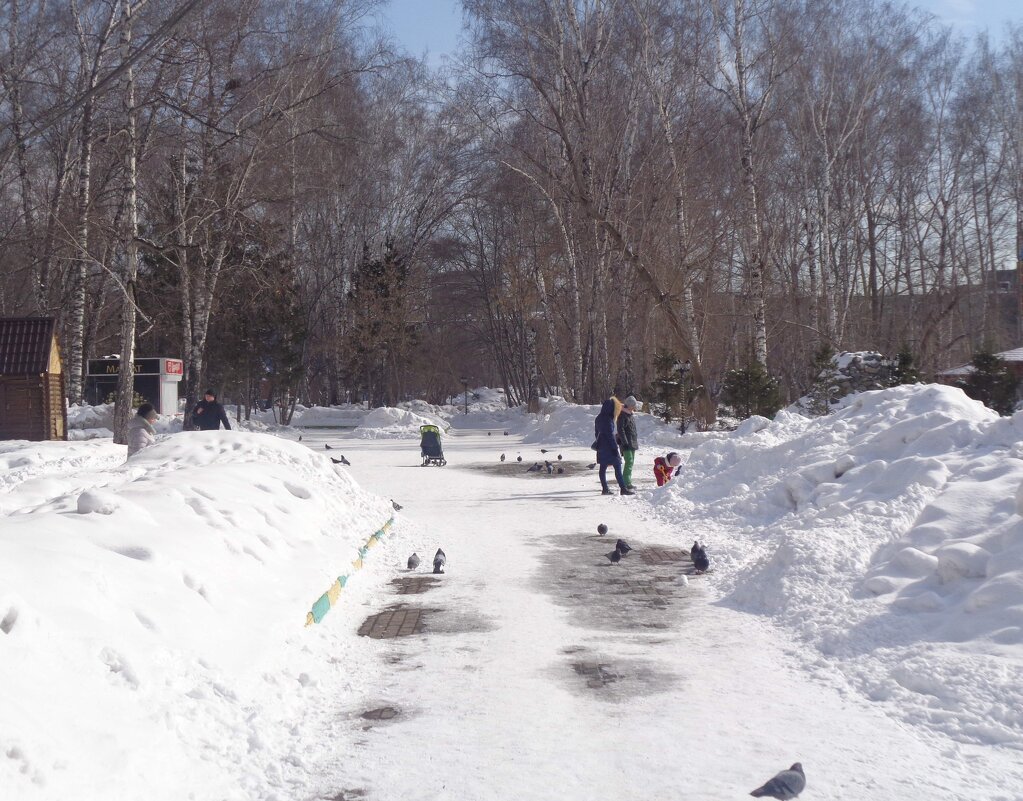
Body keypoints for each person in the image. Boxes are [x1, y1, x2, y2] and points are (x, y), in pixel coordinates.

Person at [594, 397, 633, 496]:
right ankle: (623, 489)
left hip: (601, 446)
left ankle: (605, 489)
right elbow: (610, 435)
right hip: (609, 447)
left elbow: (596, 433)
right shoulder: (609, 419)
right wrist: (614, 448)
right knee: (617, 467)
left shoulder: (598, 418)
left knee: (602, 468)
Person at [616, 395, 639, 490]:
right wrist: (624, 442)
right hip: (626, 443)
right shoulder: (622, 415)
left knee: (631, 462)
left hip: (632, 442)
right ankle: (625, 482)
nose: (634, 407)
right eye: (633, 405)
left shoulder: (630, 415)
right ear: (629, 405)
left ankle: (628, 481)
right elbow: (620, 429)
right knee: (629, 462)